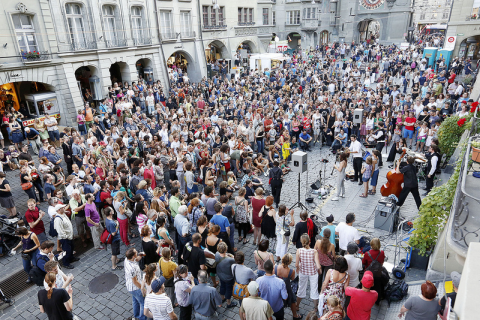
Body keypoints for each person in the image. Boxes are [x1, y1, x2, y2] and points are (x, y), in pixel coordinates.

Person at [296, 234, 321, 311]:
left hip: (303, 271)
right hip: (313, 272)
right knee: (314, 289)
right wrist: (320, 271)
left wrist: (298, 269)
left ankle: (297, 305)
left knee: (301, 288)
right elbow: (318, 266)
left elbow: (296, 264)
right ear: (309, 241)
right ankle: (315, 307)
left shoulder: (299, 251)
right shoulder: (314, 251)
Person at [53, 204, 78, 269]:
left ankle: (71, 258)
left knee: (71, 248)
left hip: (69, 236)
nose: (64, 208)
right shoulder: (58, 219)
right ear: (58, 210)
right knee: (67, 251)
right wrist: (66, 237)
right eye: (62, 207)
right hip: (65, 238)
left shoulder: (63, 214)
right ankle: (65, 263)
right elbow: (60, 231)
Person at [125, 247, 147, 320]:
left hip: (130, 286)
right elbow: (135, 281)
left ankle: (136, 316)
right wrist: (142, 288)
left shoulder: (127, 259)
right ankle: (142, 318)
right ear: (133, 256)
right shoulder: (131, 268)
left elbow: (136, 259)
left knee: (135, 301)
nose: (137, 252)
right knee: (143, 303)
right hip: (135, 288)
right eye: (136, 252)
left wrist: (140, 255)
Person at [214, 242, 237, 308]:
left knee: (222, 286)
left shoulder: (216, 254)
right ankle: (229, 303)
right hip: (229, 278)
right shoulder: (230, 260)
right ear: (225, 249)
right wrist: (231, 255)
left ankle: (222, 298)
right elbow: (235, 260)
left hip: (220, 275)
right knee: (229, 289)